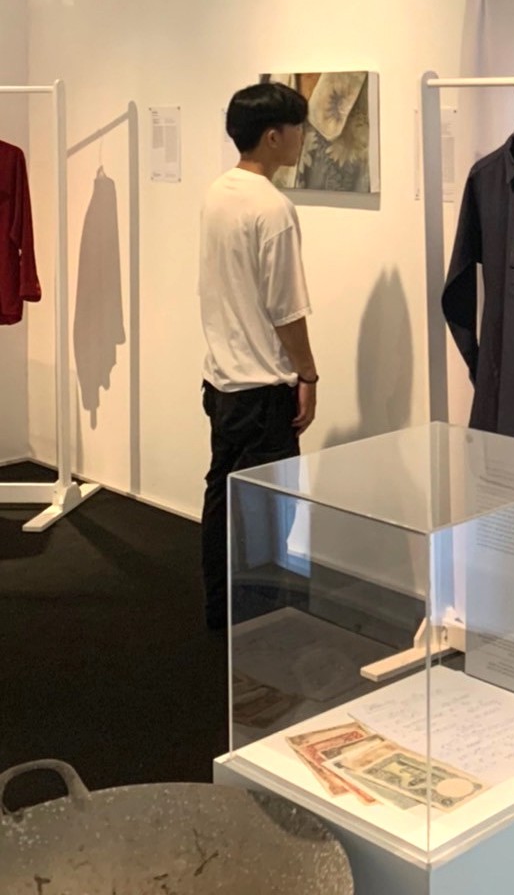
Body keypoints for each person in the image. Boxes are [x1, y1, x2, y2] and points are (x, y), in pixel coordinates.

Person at [199, 82, 318, 631]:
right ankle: (257, 622)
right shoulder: (273, 208)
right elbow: (286, 310)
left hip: (222, 381)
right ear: (273, 136)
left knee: (223, 496)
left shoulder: (218, 193)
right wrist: (308, 374)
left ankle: (222, 611)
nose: (302, 138)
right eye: (298, 128)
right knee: (269, 509)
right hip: (262, 388)